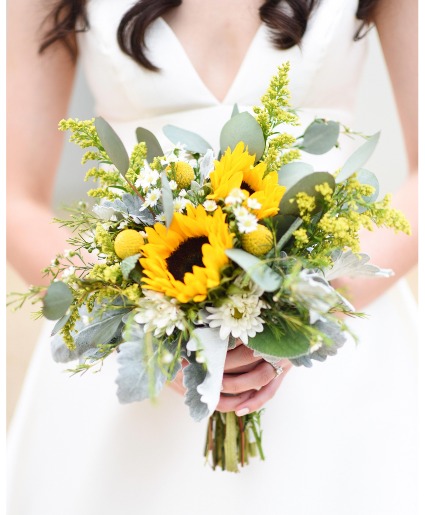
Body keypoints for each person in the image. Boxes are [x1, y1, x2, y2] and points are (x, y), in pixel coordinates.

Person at [7, 0, 418, 514]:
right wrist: (144, 328)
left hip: (338, 367)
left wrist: (297, 317)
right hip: (134, 366)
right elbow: (14, 199)